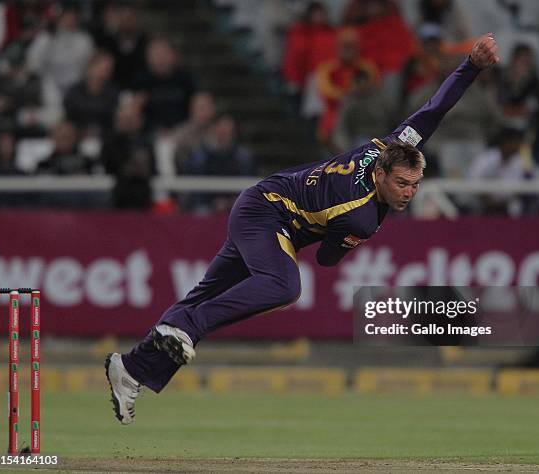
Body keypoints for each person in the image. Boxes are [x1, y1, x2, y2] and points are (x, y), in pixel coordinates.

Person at [105, 34, 500, 424]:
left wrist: (472, 65)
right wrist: (347, 236)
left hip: (265, 205)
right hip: (267, 214)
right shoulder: (361, 215)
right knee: (284, 286)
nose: (408, 194)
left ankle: (131, 369)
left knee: (207, 293)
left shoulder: (395, 144)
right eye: (401, 185)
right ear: (380, 173)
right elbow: (328, 259)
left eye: (415, 185)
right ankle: (186, 328)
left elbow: (435, 107)